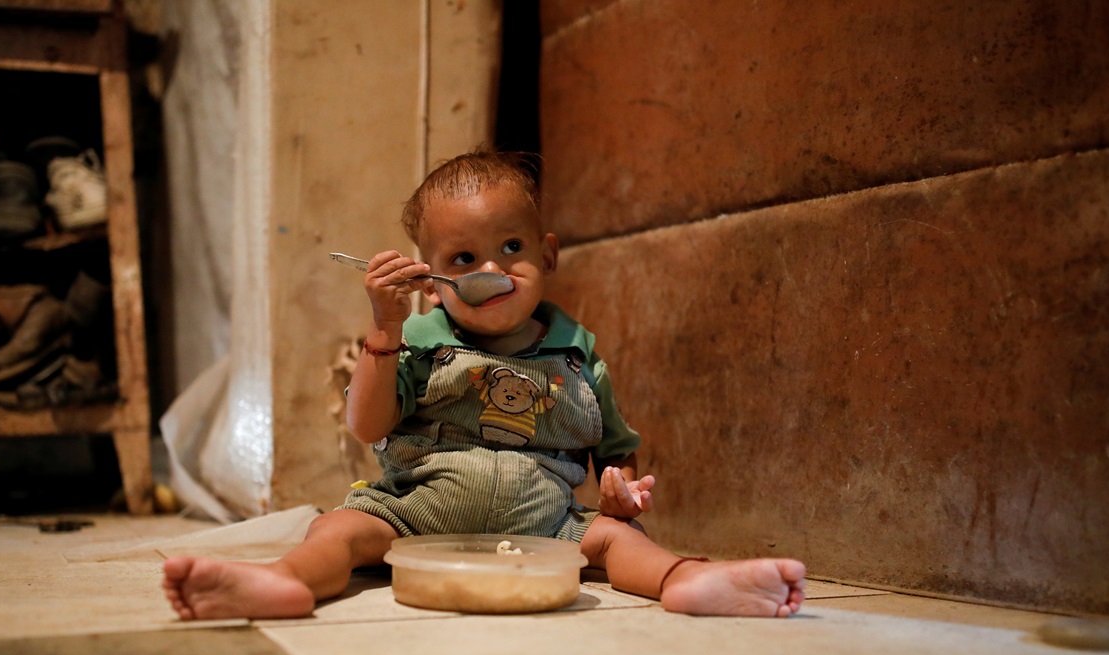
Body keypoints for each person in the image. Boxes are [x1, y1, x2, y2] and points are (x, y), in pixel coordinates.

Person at [163, 149, 806, 620]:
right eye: (464, 260)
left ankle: (686, 582)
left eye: (510, 248)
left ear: (547, 255)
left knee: (619, 543)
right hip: (414, 511)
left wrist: (623, 496)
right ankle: (284, 584)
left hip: (547, 520)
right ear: (430, 274)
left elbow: (615, 452)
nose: (491, 270)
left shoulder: (579, 358)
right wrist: (384, 330)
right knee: (335, 530)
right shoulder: (417, 341)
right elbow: (367, 426)